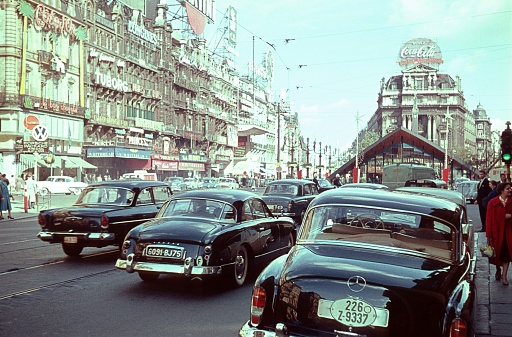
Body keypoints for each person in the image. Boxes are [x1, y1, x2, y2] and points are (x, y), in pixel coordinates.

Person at [486, 182, 512, 286]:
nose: (510, 190)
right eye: (508, 188)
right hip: (496, 232)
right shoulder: (492, 202)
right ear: (502, 190)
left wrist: (510, 216)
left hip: (508, 232)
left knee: (507, 254)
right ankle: (498, 270)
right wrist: (488, 234)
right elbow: (488, 219)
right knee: (496, 253)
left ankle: (504, 276)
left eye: (510, 188)